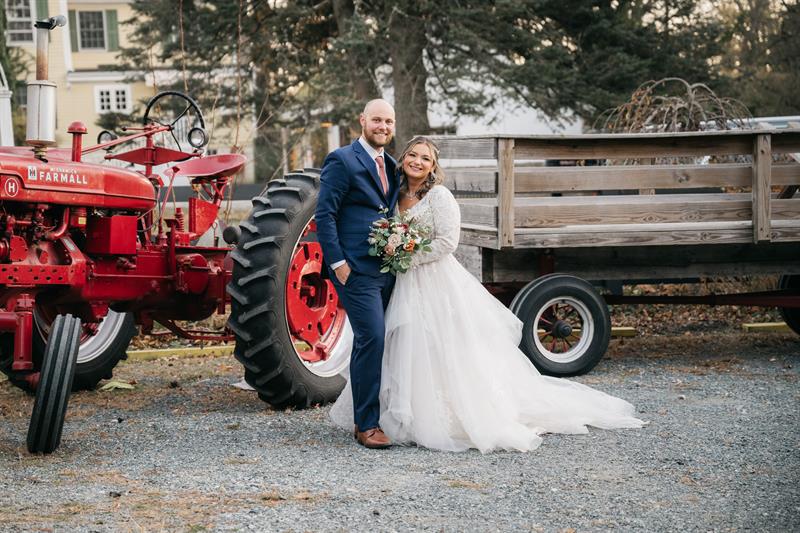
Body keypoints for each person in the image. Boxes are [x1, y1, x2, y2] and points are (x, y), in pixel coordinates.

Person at [330, 136, 645, 452]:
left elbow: (447, 243)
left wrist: (405, 255)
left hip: (434, 280)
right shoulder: (395, 196)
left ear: (433, 166)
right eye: (412, 154)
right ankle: (401, 412)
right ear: (404, 159)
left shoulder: (439, 196)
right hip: (404, 283)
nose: (417, 162)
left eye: (425, 158)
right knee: (407, 345)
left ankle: (450, 414)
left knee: (440, 345)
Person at [315, 99, 400, 449]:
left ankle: (379, 415)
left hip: (387, 267)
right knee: (373, 337)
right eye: (377, 119)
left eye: (389, 121)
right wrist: (339, 265)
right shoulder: (342, 160)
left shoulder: (393, 165)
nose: (383, 126)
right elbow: (325, 215)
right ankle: (366, 424)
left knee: (380, 340)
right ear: (363, 120)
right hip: (355, 269)